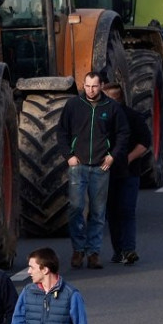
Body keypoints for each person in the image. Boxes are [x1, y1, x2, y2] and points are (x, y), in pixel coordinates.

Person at [59, 71, 129, 270]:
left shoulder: (112, 108)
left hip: (101, 167)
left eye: (95, 86)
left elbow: (123, 134)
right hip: (77, 166)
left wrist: (113, 155)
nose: (90, 90)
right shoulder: (73, 105)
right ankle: (78, 249)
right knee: (76, 208)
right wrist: (68, 155)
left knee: (98, 212)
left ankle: (94, 253)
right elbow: (62, 132)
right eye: (87, 86)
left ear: (102, 86)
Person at [103, 82, 150, 266]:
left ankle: (129, 249)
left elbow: (144, 142)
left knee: (127, 210)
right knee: (112, 212)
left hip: (129, 173)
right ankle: (118, 250)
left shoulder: (133, 117)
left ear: (118, 99)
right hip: (108, 174)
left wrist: (128, 158)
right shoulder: (101, 118)